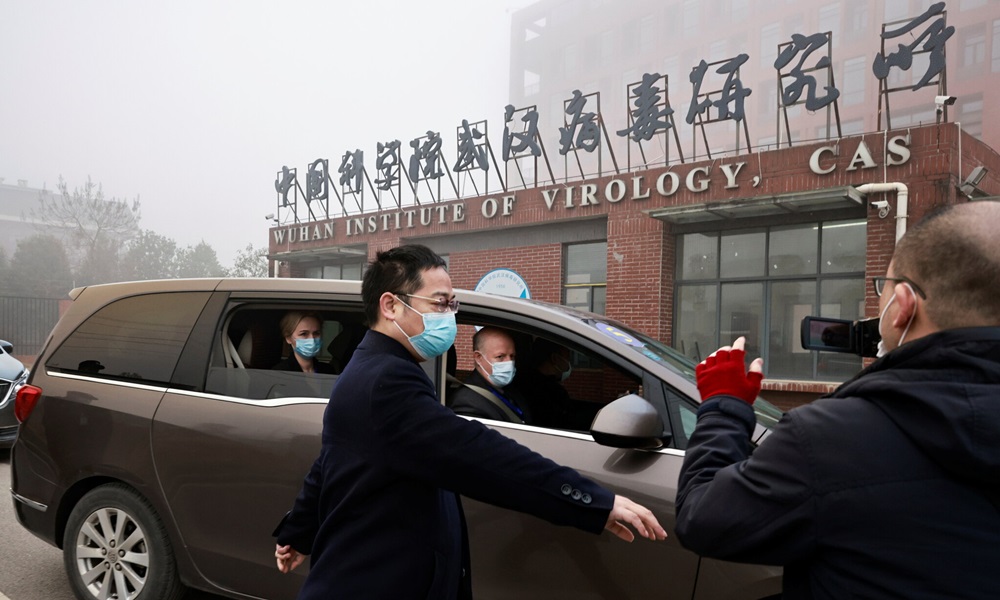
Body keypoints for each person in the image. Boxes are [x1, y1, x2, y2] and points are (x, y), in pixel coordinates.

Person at [273, 244, 666, 599]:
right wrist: (594, 501)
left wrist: (299, 531)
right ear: (390, 305)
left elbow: (331, 459)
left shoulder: (374, 367)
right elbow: (478, 454)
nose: (450, 316)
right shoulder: (386, 381)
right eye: (440, 304)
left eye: (452, 304)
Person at [675, 201, 1000, 599]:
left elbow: (702, 519)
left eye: (883, 287)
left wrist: (723, 405)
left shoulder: (828, 440)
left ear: (902, 305)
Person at [451, 326, 534, 423]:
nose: (509, 362)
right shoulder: (466, 402)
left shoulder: (510, 388)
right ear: (478, 358)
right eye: (500, 356)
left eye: (512, 356)